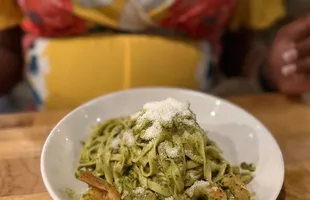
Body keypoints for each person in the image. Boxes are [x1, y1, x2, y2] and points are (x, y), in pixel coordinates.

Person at [0, 0, 306, 112]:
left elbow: (237, 55)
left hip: (195, 131)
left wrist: (268, 68)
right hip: (47, 132)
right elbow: (8, 51)